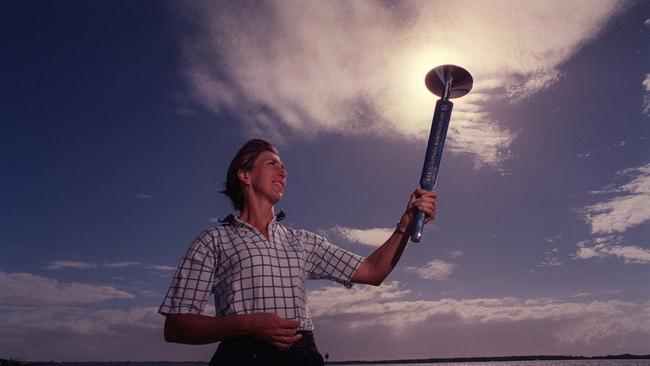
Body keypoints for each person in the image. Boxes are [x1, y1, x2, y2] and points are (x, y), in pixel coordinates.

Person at [159, 139, 437, 365]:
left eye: (284, 167)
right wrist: (247, 324)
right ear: (244, 175)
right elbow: (176, 327)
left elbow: (373, 270)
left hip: (302, 357)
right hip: (242, 357)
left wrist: (404, 225)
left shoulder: (304, 241)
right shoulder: (213, 240)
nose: (283, 172)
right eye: (272, 164)